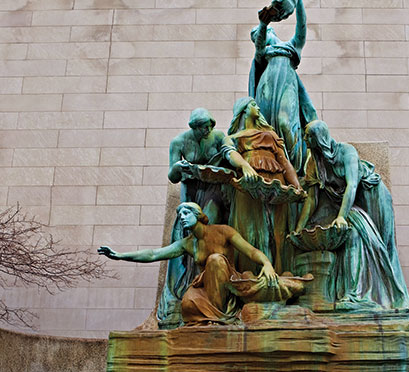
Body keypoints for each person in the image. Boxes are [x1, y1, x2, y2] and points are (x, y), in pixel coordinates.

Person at [99, 202, 302, 325]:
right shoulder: (188, 244)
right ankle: (214, 319)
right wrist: (120, 256)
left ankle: (222, 315)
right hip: (206, 288)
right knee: (187, 304)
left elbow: (251, 251)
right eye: (180, 215)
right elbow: (154, 254)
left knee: (215, 260)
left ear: (198, 216)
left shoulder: (223, 231)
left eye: (186, 214)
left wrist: (267, 264)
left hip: (227, 286)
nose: (182, 218)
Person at [295, 120, 409, 311]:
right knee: (356, 234)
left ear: (319, 137)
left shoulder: (346, 151)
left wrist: (341, 216)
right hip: (345, 203)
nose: (304, 138)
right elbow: (311, 199)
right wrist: (300, 227)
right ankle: (357, 292)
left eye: (308, 135)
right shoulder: (314, 162)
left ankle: (393, 297)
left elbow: (352, 185)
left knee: (384, 244)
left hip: (371, 195)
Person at [159, 108, 230, 326]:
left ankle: (210, 284)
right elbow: (172, 176)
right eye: (204, 128)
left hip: (214, 190)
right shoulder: (179, 142)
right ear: (194, 127)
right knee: (184, 235)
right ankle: (186, 287)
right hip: (190, 192)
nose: (208, 130)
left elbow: (229, 157)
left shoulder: (218, 137)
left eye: (210, 126)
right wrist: (178, 168)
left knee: (207, 229)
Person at [222, 97, 301, 274]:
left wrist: (296, 186)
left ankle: (279, 273)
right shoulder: (232, 138)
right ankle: (250, 274)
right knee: (249, 229)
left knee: (278, 232)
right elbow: (229, 154)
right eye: (253, 105)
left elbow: (284, 161)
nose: (257, 108)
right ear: (243, 110)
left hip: (276, 185)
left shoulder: (270, 135)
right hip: (248, 187)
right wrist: (245, 166)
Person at [249, 0, 318, 174]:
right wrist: (263, 24)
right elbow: (259, 48)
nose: (259, 37)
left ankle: (293, 169)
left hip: (287, 83)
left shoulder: (291, 47)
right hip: (267, 85)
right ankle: (274, 167)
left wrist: (298, 1)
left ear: (274, 34)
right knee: (268, 128)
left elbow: (302, 27)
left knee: (285, 123)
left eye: (261, 33)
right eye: (256, 36)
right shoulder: (264, 52)